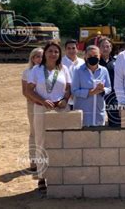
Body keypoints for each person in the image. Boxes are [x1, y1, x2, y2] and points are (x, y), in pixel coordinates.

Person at [27, 41, 71, 193]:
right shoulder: (37, 70)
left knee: (61, 141)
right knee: (41, 141)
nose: (53, 54)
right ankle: (41, 177)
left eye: (56, 52)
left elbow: (69, 88)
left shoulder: (63, 68)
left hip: (60, 110)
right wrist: (41, 100)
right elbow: (28, 91)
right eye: (50, 51)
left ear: (59, 55)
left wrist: (65, 99)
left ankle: (60, 175)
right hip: (41, 109)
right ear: (45, 53)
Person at [72, 45, 111, 126]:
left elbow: (109, 88)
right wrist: (91, 92)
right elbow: (74, 91)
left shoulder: (104, 70)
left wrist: (103, 90)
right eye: (90, 56)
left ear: (99, 56)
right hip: (83, 113)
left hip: (98, 113)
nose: (93, 57)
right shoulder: (78, 70)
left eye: (95, 56)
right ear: (85, 56)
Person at [21, 47, 43, 171]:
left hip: (45, 104)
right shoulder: (27, 72)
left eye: (41, 56)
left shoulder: (48, 71)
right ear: (32, 58)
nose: (39, 59)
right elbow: (25, 91)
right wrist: (37, 101)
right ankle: (34, 161)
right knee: (34, 132)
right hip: (33, 104)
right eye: (37, 56)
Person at [98, 38, 120, 127]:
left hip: (113, 96)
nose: (105, 48)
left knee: (115, 122)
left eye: (107, 46)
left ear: (111, 48)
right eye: (103, 46)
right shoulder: (95, 62)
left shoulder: (116, 62)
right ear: (99, 48)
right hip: (99, 95)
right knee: (99, 122)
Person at [62, 39, 85, 110]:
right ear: (65, 50)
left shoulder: (82, 62)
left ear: (77, 49)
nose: (71, 51)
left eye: (73, 48)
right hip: (65, 99)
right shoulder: (60, 62)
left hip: (80, 97)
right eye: (68, 48)